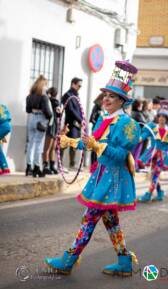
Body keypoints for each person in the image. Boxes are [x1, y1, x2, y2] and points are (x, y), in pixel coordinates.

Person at [44, 60, 140, 277]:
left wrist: (98, 146)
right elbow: (90, 142)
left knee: (89, 219)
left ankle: (69, 259)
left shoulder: (129, 125)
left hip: (112, 180)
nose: (106, 99)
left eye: (112, 96)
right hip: (100, 178)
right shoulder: (103, 120)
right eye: (105, 95)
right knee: (111, 222)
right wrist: (68, 140)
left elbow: (120, 155)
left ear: (122, 100)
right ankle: (124, 262)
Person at [138, 110, 168, 202]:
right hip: (152, 154)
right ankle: (160, 192)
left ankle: (149, 194)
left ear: (167, 119)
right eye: (160, 116)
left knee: (155, 173)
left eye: (164, 117)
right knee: (154, 173)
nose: (161, 118)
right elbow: (143, 136)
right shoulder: (152, 127)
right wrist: (136, 140)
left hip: (163, 156)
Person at [26, 75, 52, 177]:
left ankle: (28, 167)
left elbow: (28, 110)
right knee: (38, 144)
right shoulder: (43, 97)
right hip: (41, 120)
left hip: (31, 118)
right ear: (43, 85)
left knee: (30, 143)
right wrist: (50, 117)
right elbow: (48, 112)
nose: (46, 87)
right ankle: (36, 167)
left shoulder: (29, 96)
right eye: (46, 85)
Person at [61, 77, 83, 169]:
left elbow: (79, 109)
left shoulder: (76, 95)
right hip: (70, 123)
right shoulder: (68, 95)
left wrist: (82, 120)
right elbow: (70, 110)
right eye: (79, 85)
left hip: (77, 124)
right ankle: (60, 164)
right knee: (65, 143)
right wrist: (80, 120)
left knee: (74, 144)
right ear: (73, 84)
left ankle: (72, 164)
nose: (80, 87)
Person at [43, 87, 61, 175]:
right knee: (52, 148)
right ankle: (51, 166)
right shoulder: (56, 101)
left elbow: (58, 112)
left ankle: (47, 166)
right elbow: (59, 113)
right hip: (54, 125)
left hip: (51, 125)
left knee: (48, 148)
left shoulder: (49, 100)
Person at [89, 93, 104, 165]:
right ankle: (93, 164)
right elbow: (91, 119)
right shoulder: (96, 107)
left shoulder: (104, 108)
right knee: (94, 148)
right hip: (96, 130)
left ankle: (98, 164)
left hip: (103, 131)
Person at [0, 104, 12, 175]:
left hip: (2, 127)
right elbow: (8, 118)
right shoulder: (2, 106)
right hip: (7, 126)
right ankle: (5, 167)